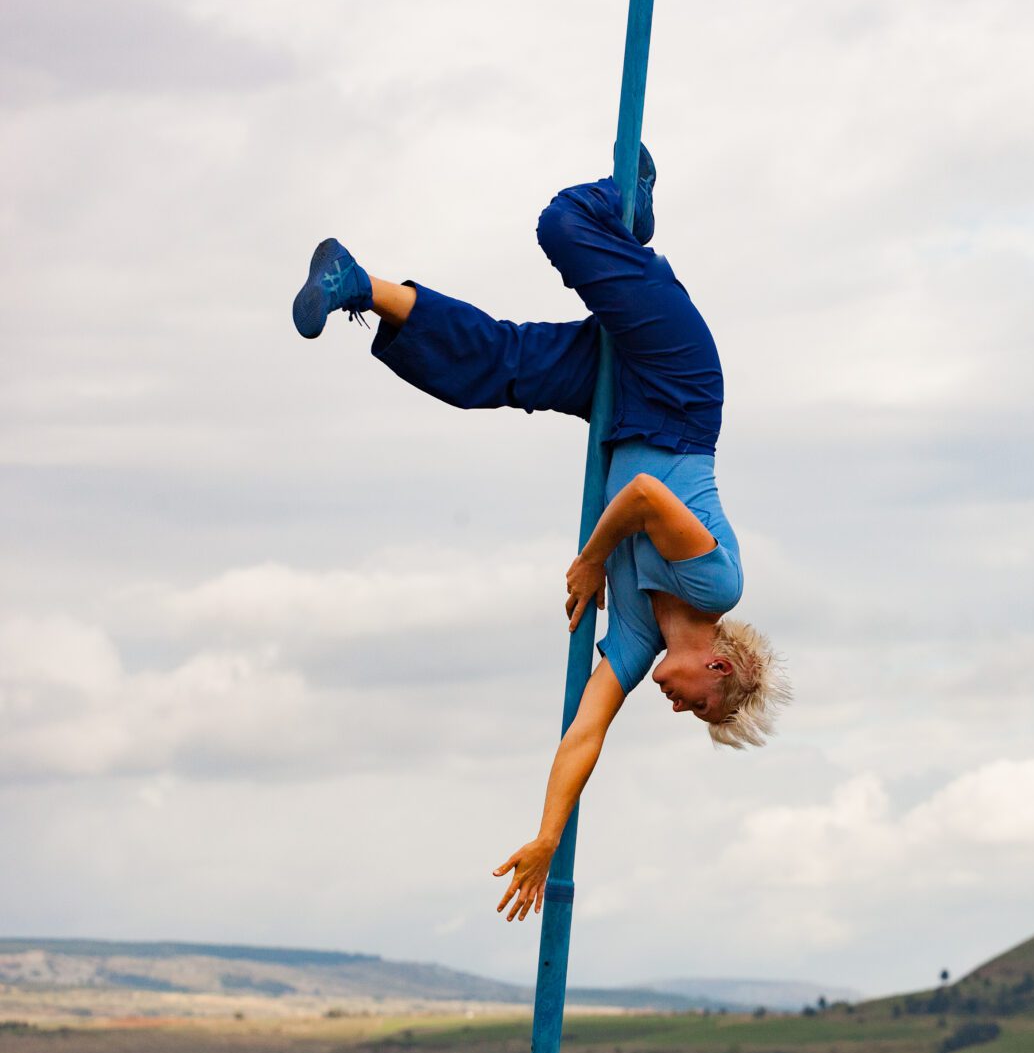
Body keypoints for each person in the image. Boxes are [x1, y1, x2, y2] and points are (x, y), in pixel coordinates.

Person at [289, 147, 788, 922]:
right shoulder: (716, 582)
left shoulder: (633, 638)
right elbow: (649, 495)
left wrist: (547, 835)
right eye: (697, 707)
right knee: (562, 225)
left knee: (491, 370)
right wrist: (592, 561)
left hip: (620, 408)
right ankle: (628, 203)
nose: (677, 709)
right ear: (717, 665)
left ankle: (357, 285)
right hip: (678, 382)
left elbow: (583, 735)